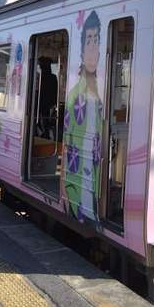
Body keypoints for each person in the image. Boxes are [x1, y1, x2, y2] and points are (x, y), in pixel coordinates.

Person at [63, 11, 103, 223]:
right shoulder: (74, 96)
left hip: (96, 181)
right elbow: (66, 143)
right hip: (76, 185)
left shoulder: (103, 96)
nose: (93, 47)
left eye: (96, 41)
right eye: (89, 41)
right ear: (81, 50)